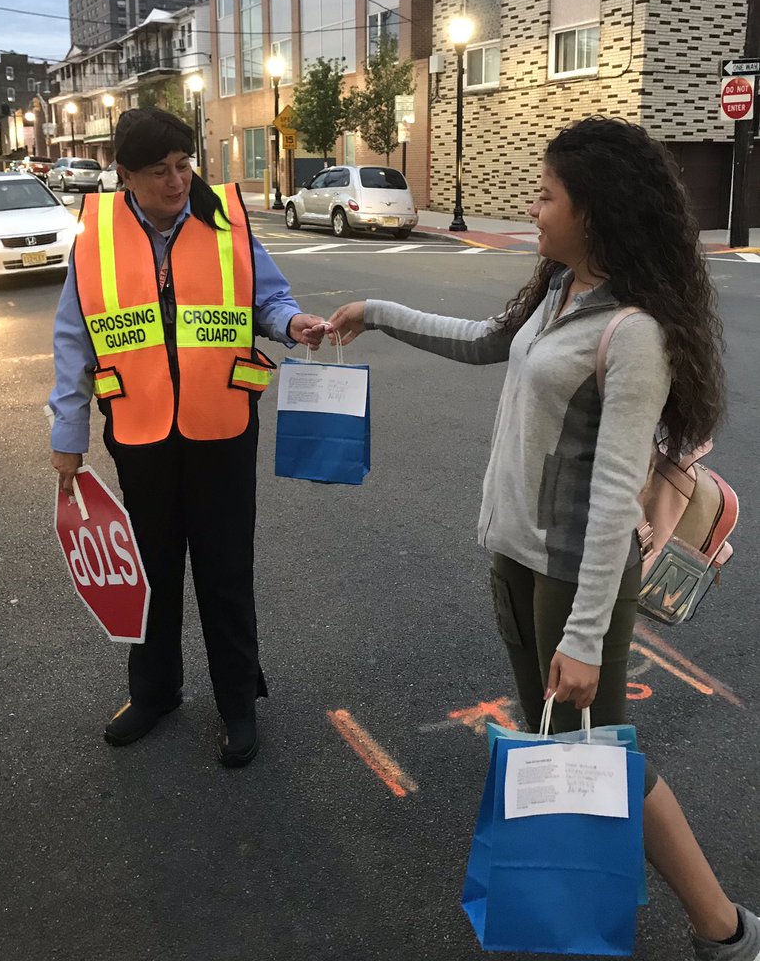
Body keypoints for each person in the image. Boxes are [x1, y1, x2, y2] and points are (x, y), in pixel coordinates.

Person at [322, 117, 758, 959]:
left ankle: (723, 928)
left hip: (573, 577)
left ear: (592, 210)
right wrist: (372, 312)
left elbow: (610, 501)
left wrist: (587, 635)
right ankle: (654, 922)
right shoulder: (559, 293)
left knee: (593, 753)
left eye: (547, 194)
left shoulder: (633, 333)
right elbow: (485, 342)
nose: (534, 205)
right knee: (567, 743)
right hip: (517, 560)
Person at [49, 107, 325, 768]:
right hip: (139, 430)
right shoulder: (98, 236)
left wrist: (292, 326)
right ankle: (154, 693)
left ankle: (236, 702)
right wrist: (69, 427)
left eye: (183, 165)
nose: (177, 182)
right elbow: (72, 333)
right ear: (125, 175)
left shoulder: (224, 218)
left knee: (226, 570)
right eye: (159, 171)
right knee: (152, 571)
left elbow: (268, 299)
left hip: (223, 427)